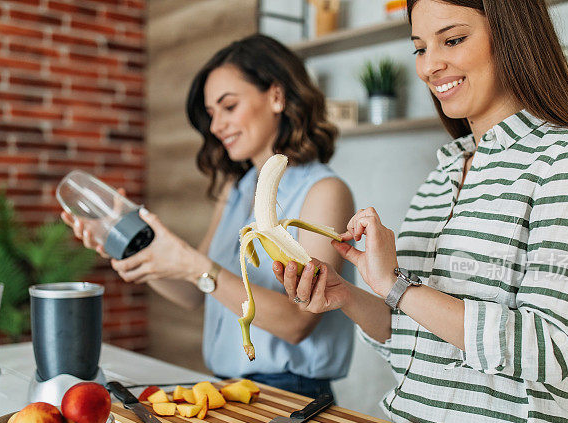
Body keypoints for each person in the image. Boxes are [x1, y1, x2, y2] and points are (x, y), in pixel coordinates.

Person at [276, 0, 568, 423]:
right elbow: (418, 339)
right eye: (420, 48)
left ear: (512, 37)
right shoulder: (445, 172)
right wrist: (349, 297)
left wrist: (396, 287)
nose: (429, 65)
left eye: (453, 39)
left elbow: (552, 349)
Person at [63, 34, 355, 399]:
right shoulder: (235, 191)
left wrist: (193, 264)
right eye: (211, 114)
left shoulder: (325, 192)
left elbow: (298, 322)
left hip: (292, 395)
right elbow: (193, 293)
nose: (216, 126)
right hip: (226, 387)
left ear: (277, 96)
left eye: (228, 106)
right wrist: (132, 248)